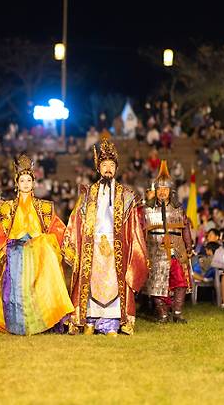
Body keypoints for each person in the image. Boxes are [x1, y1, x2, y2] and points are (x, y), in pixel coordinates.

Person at [0, 154, 73, 335]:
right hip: (14, 248)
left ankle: (47, 317)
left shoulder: (44, 207)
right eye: (22, 180)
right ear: (17, 183)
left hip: (38, 248)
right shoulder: (7, 208)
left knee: (46, 250)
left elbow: (58, 228)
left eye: (29, 180)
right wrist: (2, 248)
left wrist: (66, 246)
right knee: (14, 261)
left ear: (33, 182)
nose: (26, 183)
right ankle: (16, 321)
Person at [62, 138, 148, 335]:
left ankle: (111, 323)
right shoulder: (88, 194)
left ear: (116, 169)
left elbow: (133, 226)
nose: (108, 169)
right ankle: (90, 320)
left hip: (116, 246)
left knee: (114, 284)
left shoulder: (126, 195)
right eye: (104, 165)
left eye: (111, 165)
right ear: (98, 168)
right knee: (91, 282)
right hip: (92, 246)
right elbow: (76, 219)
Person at [142, 160, 194, 323]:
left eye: (165, 189)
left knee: (180, 283)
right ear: (155, 191)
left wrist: (189, 245)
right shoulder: (147, 210)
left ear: (170, 191)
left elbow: (185, 228)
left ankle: (177, 313)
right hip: (155, 251)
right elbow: (141, 233)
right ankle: (163, 314)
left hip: (176, 250)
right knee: (156, 286)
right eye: (159, 189)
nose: (162, 192)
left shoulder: (178, 209)